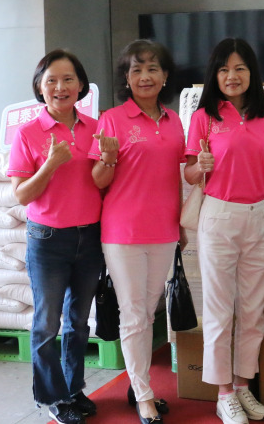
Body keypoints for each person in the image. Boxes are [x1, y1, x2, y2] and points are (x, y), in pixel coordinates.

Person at [183, 38, 264, 424]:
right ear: (214, 75)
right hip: (219, 216)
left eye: (240, 68)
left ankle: (244, 385)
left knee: (252, 309)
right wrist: (200, 166)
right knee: (219, 308)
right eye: (224, 69)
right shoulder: (204, 117)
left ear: (252, 73)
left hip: (261, 217)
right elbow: (189, 173)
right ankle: (223, 393)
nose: (232, 76)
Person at [89, 39, 187, 424]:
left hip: (164, 230)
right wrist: (109, 157)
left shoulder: (174, 121)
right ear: (126, 79)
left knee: (147, 312)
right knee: (133, 314)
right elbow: (98, 180)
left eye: (152, 69)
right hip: (123, 231)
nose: (145, 76)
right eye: (136, 70)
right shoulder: (112, 120)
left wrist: (182, 224)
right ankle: (144, 396)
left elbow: (180, 176)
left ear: (165, 76)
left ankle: (137, 382)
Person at [7, 49, 103, 424]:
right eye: (51, 81)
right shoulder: (28, 134)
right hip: (48, 239)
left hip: (90, 236)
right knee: (47, 323)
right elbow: (22, 195)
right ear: (40, 88)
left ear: (80, 86)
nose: (60, 87)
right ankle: (52, 397)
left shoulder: (96, 128)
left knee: (78, 321)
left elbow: (104, 182)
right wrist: (50, 164)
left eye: (68, 79)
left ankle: (73, 389)